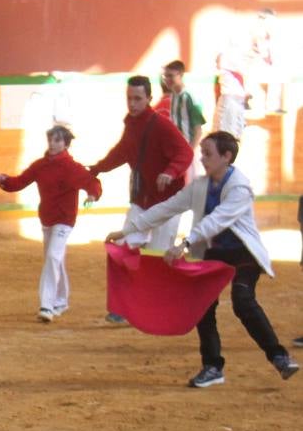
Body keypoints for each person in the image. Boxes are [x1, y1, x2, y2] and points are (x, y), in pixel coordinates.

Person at [107, 132, 298, 386]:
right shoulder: (200, 186)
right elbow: (167, 208)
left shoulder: (239, 187)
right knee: (203, 306)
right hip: (213, 254)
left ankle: (279, 357)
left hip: (243, 254)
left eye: (208, 153)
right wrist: (127, 229)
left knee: (243, 300)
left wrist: (184, 244)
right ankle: (212, 366)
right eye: (202, 153)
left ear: (226, 157)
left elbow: (217, 220)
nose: (202, 158)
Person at [88, 74, 194, 322]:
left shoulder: (161, 124)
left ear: (148, 99)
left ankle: (161, 304)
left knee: (158, 255)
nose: (132, 104)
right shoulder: (132, 125)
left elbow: (185, 153)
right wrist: (96, 169)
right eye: (129, 98)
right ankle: (125, 306)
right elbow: (121, 152)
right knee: (127, 246)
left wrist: (170, 172)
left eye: (137, 99)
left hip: (168, 202)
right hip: (143, 199)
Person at [0, 126, 102, 322]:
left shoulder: (72, 167)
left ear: (66, 144)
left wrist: (93, 195)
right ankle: (61, 300)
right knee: (55, 258)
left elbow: (92, 183)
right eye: (51, 139)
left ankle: (47, 305)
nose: (52, 144)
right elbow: (19, 182)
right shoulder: (40, 165)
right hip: (47, 219)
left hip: (65, 220)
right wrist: (4, 180)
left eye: (58, 140)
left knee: (52, 256)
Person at [161, 59, 205, 149]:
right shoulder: (174, 95)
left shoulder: (190, 96)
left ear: (180, 75)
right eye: (165, 76)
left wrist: (190, 151)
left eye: (170, 76)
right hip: (177, 147)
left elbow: (198, 130)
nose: (167, 79)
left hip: (188, 148)